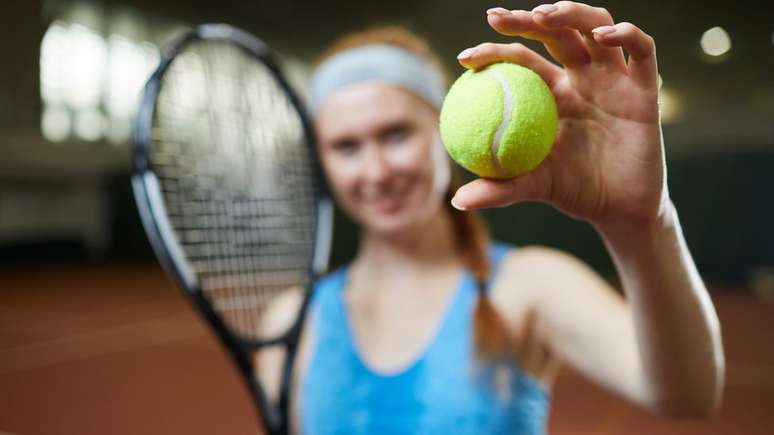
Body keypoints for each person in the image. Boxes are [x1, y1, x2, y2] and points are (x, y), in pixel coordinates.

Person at [258, 3, 725, 434]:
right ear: (323, 161)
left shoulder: (530, 287)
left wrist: (641, 223)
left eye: (396, 134)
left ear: (443, 130)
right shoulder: (290, 322)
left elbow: (687, 396)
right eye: (346, 147)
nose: (377, 171)